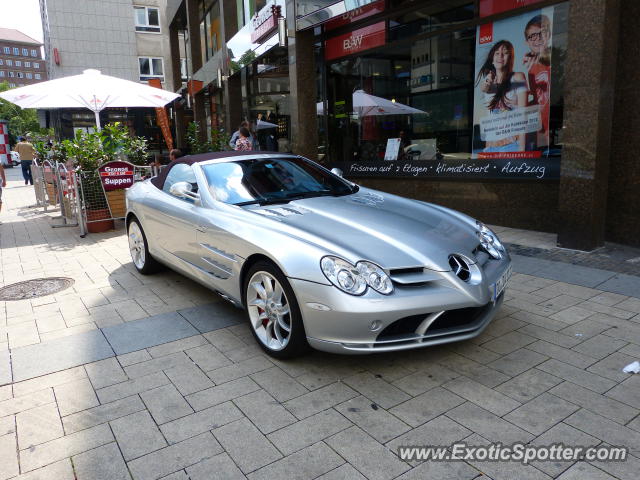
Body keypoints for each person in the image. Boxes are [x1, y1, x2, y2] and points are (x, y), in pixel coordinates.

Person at [476, 40, 528, 152]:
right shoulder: (489, 81)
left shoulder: (518, 77)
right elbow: (485, 88)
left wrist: (521, 148)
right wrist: (488, 81)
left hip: (512, 145)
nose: (501, 56)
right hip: (490, 147)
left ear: (510, 58)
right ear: (492, 58)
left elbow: (523, 115)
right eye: (497, 53)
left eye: (505, 53)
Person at [523, 14, 552, 149]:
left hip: (551, 125)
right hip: (540, 127)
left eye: (542, 33)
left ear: (549, 34)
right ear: (527, 42)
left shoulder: (554, 61)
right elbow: (536, 98)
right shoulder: (531, 69)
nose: (537, 39)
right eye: (532, 36)